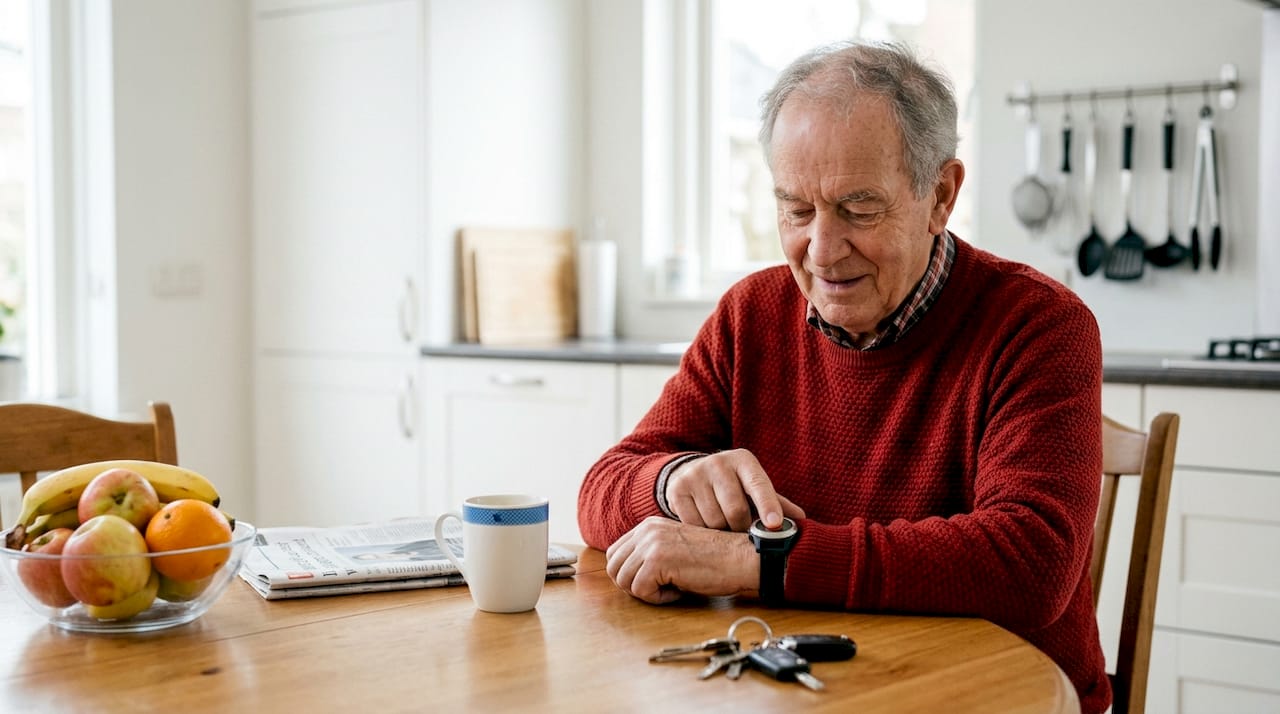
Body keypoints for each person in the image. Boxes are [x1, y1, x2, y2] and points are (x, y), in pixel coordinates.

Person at [576, 40, 1110, 713]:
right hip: (810, 687)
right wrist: (670, 480)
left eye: (859, 210)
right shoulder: (751, 316)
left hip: (999, 696)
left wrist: (763, 560)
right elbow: (601, 490)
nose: (822, 252)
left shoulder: (1039, 326)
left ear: (939, 195)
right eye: (796, 211)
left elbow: (1029, 564)